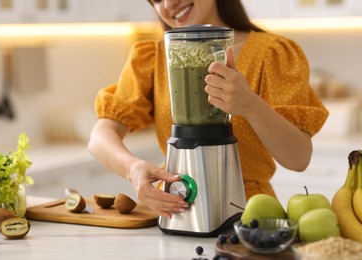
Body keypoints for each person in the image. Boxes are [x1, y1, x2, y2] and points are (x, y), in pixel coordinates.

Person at [88, 0, 329, 219]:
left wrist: (250, 104)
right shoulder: (152, 57)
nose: (170, 4)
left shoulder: (272, 53)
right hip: (174, 209)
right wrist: (133, 169)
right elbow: (100, 137)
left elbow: (299, 158)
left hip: (251, 213)